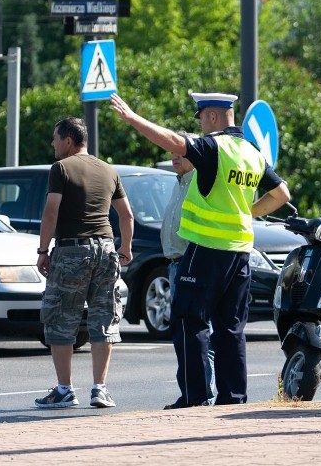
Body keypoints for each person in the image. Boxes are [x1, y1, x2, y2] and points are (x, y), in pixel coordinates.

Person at [110, 92, 291, 408]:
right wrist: (250, 211)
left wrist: (132, 118)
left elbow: (173, 142)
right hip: (240, 253)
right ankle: (233, 398)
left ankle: (195, 398)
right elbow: (281, 194)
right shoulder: (251, 152)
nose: (202, 125)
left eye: (203, 117)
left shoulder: (214, 147)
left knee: (187, 320)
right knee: (231, 329)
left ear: (213, 116)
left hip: (206, 250)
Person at [34, 117, 134, 410]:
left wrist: (43, 250)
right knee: (104, 317)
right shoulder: (108, 170)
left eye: (55, 138)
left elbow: (51, 211)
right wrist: (124, 247)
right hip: (105, 249)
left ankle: (64, 390)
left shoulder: (61, 168)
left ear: (67, 140)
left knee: (61, 317)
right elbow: (126, 216)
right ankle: (100, 389)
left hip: (72, 250)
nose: (53, 143)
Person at [161, 132, 216, 404]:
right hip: (176, 264)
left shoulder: (197, 181)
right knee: (185, 334)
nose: (175, 157)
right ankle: (193, 392)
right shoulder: (180, 181)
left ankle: (200, 394)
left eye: (181, 153)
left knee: (197, 333)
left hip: (191, 263)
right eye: (173, 152)